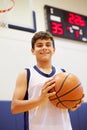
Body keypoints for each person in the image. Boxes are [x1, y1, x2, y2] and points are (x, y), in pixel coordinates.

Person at [11, 31, 82, 130]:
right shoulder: (26, 73)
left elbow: (64, 105)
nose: (44, 47)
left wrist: (72, 105)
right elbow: (14, 108)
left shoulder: (63, 73)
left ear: (54, 49)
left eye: (48, 45)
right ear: (33, 50)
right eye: (39, 45)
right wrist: (40, 99)